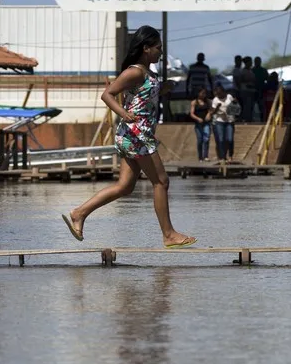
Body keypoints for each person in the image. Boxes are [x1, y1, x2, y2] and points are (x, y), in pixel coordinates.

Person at [62, 26, 196, 249]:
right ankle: (169, 234)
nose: (161, 53)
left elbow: (143, 95)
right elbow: (107, 94)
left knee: (125, 186)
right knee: (161, 181)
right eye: (158, 48)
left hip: (134, 135)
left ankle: (79, 213)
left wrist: (164, 89)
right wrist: (122, 112)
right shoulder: (134, 71)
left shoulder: (147, 72)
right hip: (137, 134)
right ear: (146, 48)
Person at [210, 84, 238, 162]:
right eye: (217, 94)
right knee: (221, 139)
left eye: (220, 94)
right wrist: (218, 107)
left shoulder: (229, 96)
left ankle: (230, 155)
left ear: (223, 92)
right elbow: (213, 112)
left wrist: (235, 102)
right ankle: (222, 157)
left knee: (230, 139)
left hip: (229, 120)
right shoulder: (215, 100)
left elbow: (235, 105)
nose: (219, 96)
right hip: (220, 121)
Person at [189, 87, 212, 162]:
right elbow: (191, 114)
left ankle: (206, 156)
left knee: (206, 139)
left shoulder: (208, 101)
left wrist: (209, 114)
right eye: (202, 93)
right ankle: (200, 157)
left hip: (206, 123)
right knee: (200, 140)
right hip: (198, 123)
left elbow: (210, 110)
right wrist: (197, 118)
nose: (203, 95)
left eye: (204, 93)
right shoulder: (194, 102)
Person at [237, 56, 257, 122]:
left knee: (251, 106)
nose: (251, 63)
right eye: (250, 61)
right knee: (246, 106)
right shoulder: (243, 71)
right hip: (245, 91)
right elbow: (240, 81)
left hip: (252, 91)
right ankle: (246, 119)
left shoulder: (251, 71)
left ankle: (250, 118)